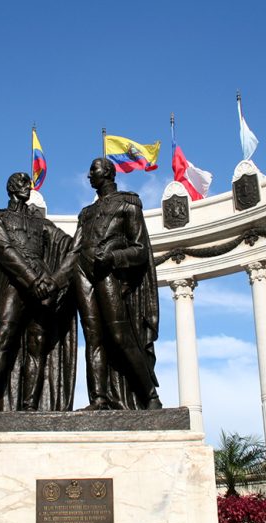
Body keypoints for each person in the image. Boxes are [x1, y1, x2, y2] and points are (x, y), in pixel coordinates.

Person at [0, 172, 77, 411]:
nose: (28, 187)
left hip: (42, 285)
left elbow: (68, 245)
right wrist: (32, 279)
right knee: (3, 336)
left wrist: (88, 238)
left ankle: (30, 404)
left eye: (29, 183)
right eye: (22, 183)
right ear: (11, 187)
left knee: (38, 342)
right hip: (16, 283)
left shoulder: (41, 223)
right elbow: (4, 249)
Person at [65, 157, 162, 410]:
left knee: (120, 336)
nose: (89, 176)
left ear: (107, 172)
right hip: (83, 273)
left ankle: (150, 396)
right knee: (93, 338)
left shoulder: (128, 203)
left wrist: (113, 257)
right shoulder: (86, 213)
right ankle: (98, 398)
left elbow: (141, 250)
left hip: (109, 272)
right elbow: (74, 250)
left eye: (93, 170)